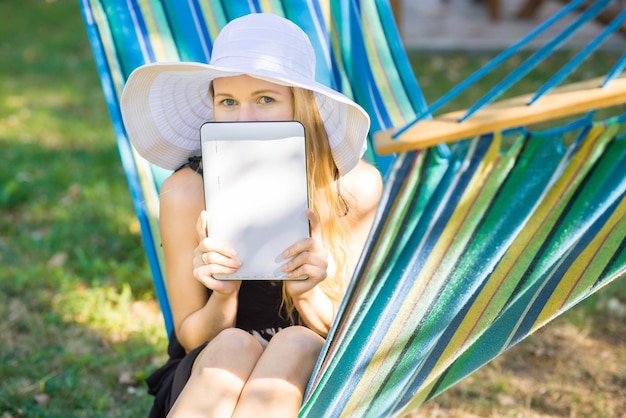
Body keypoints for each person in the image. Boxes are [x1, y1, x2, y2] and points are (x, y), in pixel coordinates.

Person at [120, 13, 383, 418]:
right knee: (233, 345)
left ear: (302, 104)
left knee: (298, 341)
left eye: (265, 99)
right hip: (210, 373)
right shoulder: (185, 192)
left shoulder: (353, 189)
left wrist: (307, 292)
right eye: (228, 102)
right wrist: (223, 295)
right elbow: (191, 338)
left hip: (311, 375)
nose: (243, 120)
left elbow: (356, 339)